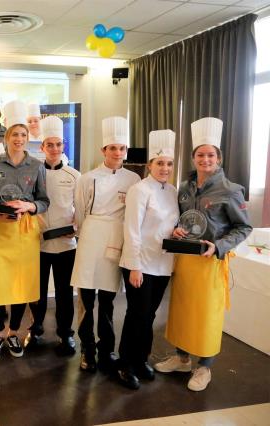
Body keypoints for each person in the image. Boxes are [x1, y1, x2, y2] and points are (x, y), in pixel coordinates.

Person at [154, 117, 252, 392]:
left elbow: (244, 226)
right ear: (194, 157)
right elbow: (177, 218)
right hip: (185, 260)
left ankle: (204, 367)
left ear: (218, 158)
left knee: (206, 315)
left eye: (210, 155)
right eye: (200, 154)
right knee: (182, 310)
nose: (205, 159)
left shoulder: (231, 190)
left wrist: (219, 246)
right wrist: (176, 230)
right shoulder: (185, 188)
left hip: (211, 260)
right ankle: (182, 357)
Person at [70, 116, 141, 373]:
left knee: (109, 302)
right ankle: (87, 349)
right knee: (87, 301)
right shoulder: (87, 178)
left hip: (116, 238)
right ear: (103, 150)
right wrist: (84, 232)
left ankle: (107, 349)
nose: (118, 153)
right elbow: (79, 212)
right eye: (113, 148)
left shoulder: (133, 180)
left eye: (122, 148)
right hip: (90, 237)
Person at [0, 100, 49, 359]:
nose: (19, 139)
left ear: (28, 137)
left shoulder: (36, 165)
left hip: (25, 232)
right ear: (7, 137)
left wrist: (28, 206)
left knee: (21, 284)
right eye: (15, 134)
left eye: (23, 134)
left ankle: (14, 333)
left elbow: (44, 201)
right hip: (0, 230)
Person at [115, 130, 179, 390]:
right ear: (149, 165)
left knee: (149, 315)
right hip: (139, 264)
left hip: (163, 263)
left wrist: (175, 231)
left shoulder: (173, 191)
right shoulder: (139, 190)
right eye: (160, 163)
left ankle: (141, 360)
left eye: (169, 164)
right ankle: (125, 364)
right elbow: (131, 230)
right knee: (137, 314)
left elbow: (168, 223)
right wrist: (134, 266)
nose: (165, 168)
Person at [25, 116, 80, 355]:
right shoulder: (34, 174)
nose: (54, 149)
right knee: (36, 291)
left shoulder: (74, 175)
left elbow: (81, 209)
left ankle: (65, 334)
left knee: (65, 292)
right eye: (50, 145)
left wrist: (76, 227)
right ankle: (35, 330)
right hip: (37, 243)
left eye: (58, 144)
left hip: (66, 243)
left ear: (63, 146)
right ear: (42, 147)